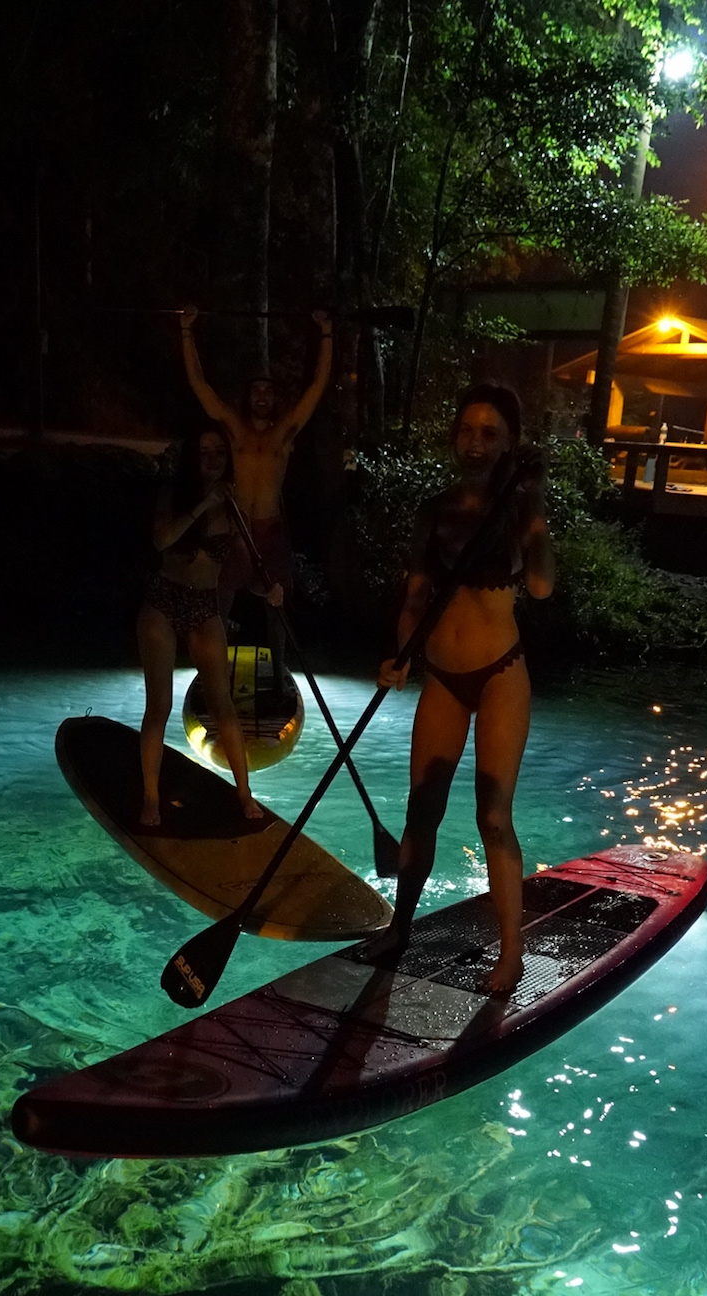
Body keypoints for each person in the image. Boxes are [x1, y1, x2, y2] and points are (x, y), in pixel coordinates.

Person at [363, 383, 555, 996]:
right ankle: (399, 928)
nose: (476, 443)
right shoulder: (434, 510)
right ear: (454, 438)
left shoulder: (519, 508)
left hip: (501, 672)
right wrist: (401, 653)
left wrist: (536, 508)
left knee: (492, 815)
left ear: (509, 443)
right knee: (423, 809)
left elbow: (545, 588)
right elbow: (416, 597)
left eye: (490, 433)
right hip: (442, 677)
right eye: (467, 431)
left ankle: (511, 954)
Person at [137, 426, 282, 828]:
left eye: (219, 452)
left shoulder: (235, 509)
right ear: (192, 459)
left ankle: (245, 796)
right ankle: (151, 798)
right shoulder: (174, 496)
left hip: (204, 607)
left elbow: (247, 568)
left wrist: (267, 589)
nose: (213, 460)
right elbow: (162, 540)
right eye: (204, 453)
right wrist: (203, 504)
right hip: (164, 602)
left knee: (223, 705)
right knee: (160, 705)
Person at [178, 305, 333, 678]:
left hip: (270, 526)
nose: (261, 396)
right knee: (222, 598)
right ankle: (209, 668)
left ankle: (279, 672)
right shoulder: (234, 428)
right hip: (236, 526)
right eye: (256, 390)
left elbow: (316, 387)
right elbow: (200, 385)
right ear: (248, 396)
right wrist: (186, 331)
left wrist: (326, 334)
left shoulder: (284, 433)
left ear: (274, 398)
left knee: (275, 602)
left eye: (268, 391)